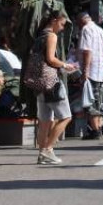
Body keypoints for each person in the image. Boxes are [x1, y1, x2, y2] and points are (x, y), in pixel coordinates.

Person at [33, 10, 78, 165]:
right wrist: (66, 65)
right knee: (66, 116)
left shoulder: (39, 36)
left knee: (44, 121)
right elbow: (51, 59)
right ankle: (48, 149)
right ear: (54, 20)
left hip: (39, 83)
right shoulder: (51, 36)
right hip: (51, 82)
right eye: (62, 23)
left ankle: (41, 153)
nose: (62, 27)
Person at [76, 11, 103, 140]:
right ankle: (98, 128)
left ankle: (95, 131)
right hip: (101, 71)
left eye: (77, 22)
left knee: (90, 101)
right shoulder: (100, 30)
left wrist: (85, 71)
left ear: (81, 20)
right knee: (99, 101)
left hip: (92, 72)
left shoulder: (86, 29)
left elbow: (87, 51)